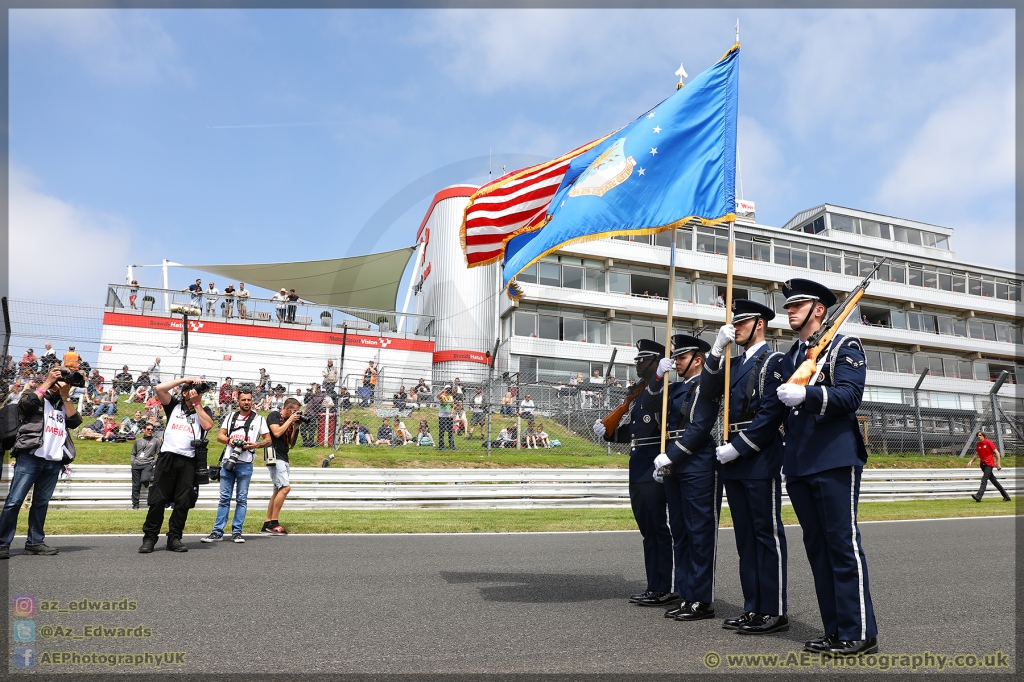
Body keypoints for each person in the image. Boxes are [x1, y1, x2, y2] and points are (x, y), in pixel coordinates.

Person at [775, 278, 878, 655]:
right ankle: (835, 629)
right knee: (817, 548)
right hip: (799, 462)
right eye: (788, 305)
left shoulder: (842, 346)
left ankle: (860, 632)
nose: (790, 310)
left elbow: (850, 395)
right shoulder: (790, 356)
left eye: (797, 305)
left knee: (842, 545)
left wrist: (809, 393)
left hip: (835, 458)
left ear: (819, 309)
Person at [698, 301, 791, 633]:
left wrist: (738, 448)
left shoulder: (775, 361)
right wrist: (716, 351)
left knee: (767, 535)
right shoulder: (733, 363)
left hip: (758, 456)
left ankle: (775, 610)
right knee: (746, 539)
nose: (736, 328)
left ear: (760, 325)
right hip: (732, 459)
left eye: (742, 323)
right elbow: (707, 392)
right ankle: (753, 607)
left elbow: (770, 414)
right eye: (733, 324)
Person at [594, 339, 676, 606]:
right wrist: (610, 433)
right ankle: (654, 585)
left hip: (653, 465)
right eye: (637, 359)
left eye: (643, 359)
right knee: (648, 529)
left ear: (657, 362)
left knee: (659, 529)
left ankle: (666, 586)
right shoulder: (640, 392)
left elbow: (662, 429)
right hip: (637, 463)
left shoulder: (664, 391)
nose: (638, 363)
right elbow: (637, 430)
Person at [649, 334, 724, 622]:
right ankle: (686, 593)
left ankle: (702, 600)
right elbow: (651, 407)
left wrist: (672, 455)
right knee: (680, 532)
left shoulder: (706, 384)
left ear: (698, 359)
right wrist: (658, 377)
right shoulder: (676, 388)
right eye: (675, 357)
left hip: (697, 462)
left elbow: (700, 425)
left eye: (681, 357)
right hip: (675, 462)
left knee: (699, 533)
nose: (676, 362)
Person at [0, 367, 82, 558]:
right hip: (30, 456)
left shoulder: (63, 402)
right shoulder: (34, 394)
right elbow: (25, 406)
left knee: (41, 503)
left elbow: (75, 421)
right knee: (14, 501)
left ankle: (35, 543)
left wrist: (65, 396)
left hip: (53, 460)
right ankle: (3, 543)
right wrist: (47, 382)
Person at [139, 377, 215, 554]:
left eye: (200, 392)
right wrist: (185, 379)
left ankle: (174, 537)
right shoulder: (174, 405)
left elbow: (208, 425)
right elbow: (159, 389)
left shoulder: (203, 410)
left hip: (189, 460)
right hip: (168, 457)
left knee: (183, 502)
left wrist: (197, 404)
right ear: (184, 393)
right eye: (193, 390)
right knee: (158, 500)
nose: (198, 394)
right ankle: (149, 538)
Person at [201, 389, 271, 544]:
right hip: (228, 462)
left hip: (245, 464)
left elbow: (269, 440)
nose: (246, 402)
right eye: (243, 400)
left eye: (249, 400)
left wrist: (256, 444)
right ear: (238, 401)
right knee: (224, 498)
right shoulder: (230, 416)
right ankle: (217, 532)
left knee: (241, 499)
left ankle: (237, 532)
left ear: (252, 401)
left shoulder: (259, 419)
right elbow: (220, 436)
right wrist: (229, 441)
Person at [263, 397, 301, 536]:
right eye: (295, 411)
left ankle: (267, 523)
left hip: (284, 456)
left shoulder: (289, 422)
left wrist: (296, 426)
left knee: (277, 491)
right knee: (285, 488)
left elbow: (291, 442)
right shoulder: (274, 415)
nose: (296, 413)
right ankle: (274, 522)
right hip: (274, 456)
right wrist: (290, 420)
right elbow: (277, 432)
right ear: (288, 408)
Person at [967, 431, 1011, 502]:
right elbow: (976, 454)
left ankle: (978, 496)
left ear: (983, 436)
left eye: (980, 435)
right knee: (994, 481)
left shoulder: (988, 442)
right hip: (983, 464)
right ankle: (1006, 496)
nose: (979, 436)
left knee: (984, 479)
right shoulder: (978, 444)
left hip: (989, 464)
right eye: (977, 435)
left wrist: (998, 463)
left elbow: (997, 453)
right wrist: (971, 461)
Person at [130, 422, 161, 510]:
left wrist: (153, 463)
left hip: (147, 464)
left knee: (144, 479)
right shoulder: (138, 441)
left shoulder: (156, 441)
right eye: (148, 429)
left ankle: (146, 482)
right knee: (136, 485)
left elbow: (159, 454)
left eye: (152, 429)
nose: (150, 431)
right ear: (144, 430)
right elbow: (133, 453)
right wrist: (133, 462)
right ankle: (135, 505)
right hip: (136, 464)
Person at [437, 385, 456, 450]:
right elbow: (437, 396)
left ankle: (452, 445)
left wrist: (451, 413)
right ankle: (441, 446)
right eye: (447, 390)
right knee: (442, 431)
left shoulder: (450, 396)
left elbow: (453, 406)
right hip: (442, 416)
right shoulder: (442, 396)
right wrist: (442, 391)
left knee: (450, 431)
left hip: (449, 416)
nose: (448, 392)